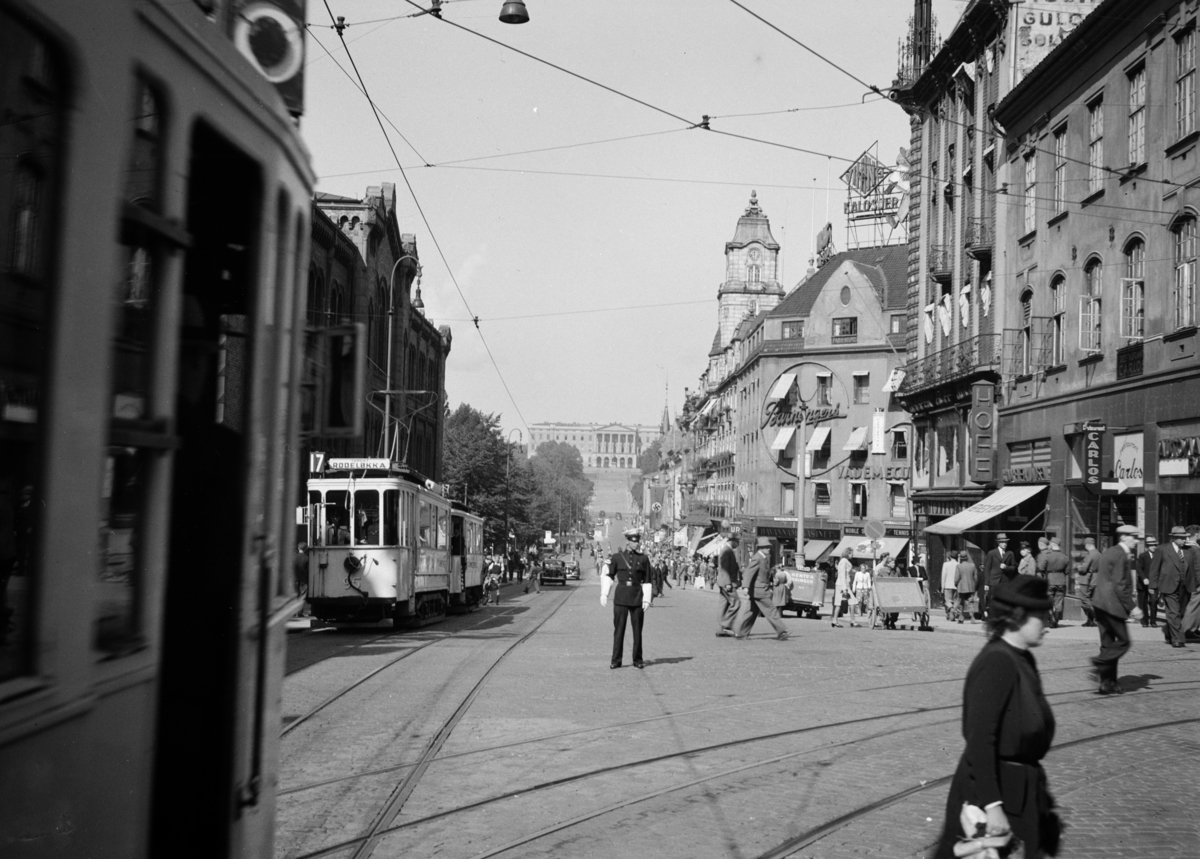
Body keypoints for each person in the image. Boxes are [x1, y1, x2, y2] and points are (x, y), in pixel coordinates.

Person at [932, 575, 1060, 859]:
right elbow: (980, 739)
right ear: (1018, 617)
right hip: (994, 794)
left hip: (1019, 790)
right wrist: (992, 805)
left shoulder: (1022, 657)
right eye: (1041, 616)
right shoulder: (997, 661)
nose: (1048, 624)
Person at [1089, 525, 1143, 693]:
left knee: (1108, 645)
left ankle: (1107, 683)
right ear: (1123, 537)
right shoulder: (1120, 554)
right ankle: (1099, 663)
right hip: (1113, 605)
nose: (1136, 541)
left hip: (1100, 604)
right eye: (1133, 537)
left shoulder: (1110, 551)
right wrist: (1133, 607)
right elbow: (1119, 585)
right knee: (1123, 642)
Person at [600, 528, 652, 669]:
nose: (636, 544)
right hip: (621, 597)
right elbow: (609, 576)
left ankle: (638, 659)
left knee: (637, 631)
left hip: (637, 597)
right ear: (627, 541)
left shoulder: (643, 559)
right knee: (619, 630)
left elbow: (647, 580)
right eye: (633, 541)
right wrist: (604, 593)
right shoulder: (617, 558)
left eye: (637, 541)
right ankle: (616, 660)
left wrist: (646, 599)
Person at [735, 536, 789, 640]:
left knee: (750, 613)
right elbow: (749, 572)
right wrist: (745, 587)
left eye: (769, 547)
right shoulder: (757, 558)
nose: (769, 548)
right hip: (760, 591)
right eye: (766, 547)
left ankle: (741, 633)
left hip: (757, 590)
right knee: (771, 610)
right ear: (761, 548)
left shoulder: (763, 558)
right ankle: (782, 631)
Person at [1149, 525, 1191, 648]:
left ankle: (1169, 634)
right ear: (1174, 538)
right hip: (1168, 585)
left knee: (1181, 613)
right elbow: (1154, 568)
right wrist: (1153, 586)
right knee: (1173, 612)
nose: (1184, 540)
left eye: (1185, 538)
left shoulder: (1188, 550)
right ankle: (1178, 639)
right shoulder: (1162, 549)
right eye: (1182, 538)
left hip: (1185, 587)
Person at [1036, 538, 1070, 628]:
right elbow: (1067, 571)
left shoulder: (1047, 556)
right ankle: (1056, 619)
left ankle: (1052, 618)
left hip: (1050, 580)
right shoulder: (1065, 557)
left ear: (1052, 544)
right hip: (1061, 581)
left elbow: (1041, 568)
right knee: (1059, 601)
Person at [981, 534, 1015, 618]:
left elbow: (1013, 567)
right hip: (993, 581)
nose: (1005, 544)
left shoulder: (1010, 553)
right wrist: (986, 583)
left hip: (1005, 581)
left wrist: (1006, 567)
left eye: (1006, 542)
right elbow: (987, 569)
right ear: (998, 543)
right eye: (1002, 542)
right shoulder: (992, 553)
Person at [714, 535, 742, 637]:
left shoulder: (727, 550)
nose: (738, 544)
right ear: (732, 541)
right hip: (727, 583)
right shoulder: (726, 551)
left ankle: (720, 629)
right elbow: (724, 568)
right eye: (737, 541)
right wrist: (728, 583)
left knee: (723, 606)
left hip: (723, 583)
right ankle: (727, 625)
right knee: (736, 603)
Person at [1135, 536, 1158, 628]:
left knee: (1153, 602)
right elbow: (1139, 568)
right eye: (1151, 545)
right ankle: (1144, 621)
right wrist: (1144, 578)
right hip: (1143, 584)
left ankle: (1153, 621)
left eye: (1155, 545)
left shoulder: (1158, 556)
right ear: (1148, 547)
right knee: (1143, 603)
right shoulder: (1143, 555)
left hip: (1154, 583)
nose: (1154, 547)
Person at [1077, 538, 1101, 627]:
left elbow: (1084, 569)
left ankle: (1097, 618)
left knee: (1084, 598)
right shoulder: (1099, 554)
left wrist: (1079, 568)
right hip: (1096, 579)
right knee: (1091, 599)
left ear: (1087, 545)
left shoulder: (1090, 555)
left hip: (1087, 579)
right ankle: (1090, 620)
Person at [955, 551, 978, 624]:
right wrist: (974, 586)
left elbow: (957, 578)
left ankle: (961, 617)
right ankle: (972, 616)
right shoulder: (973, 565)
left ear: (961, 558)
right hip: (970, 587)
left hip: (961, 587)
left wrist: (955, 584)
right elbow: (975, 577)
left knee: (960, 602)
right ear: (967, 558)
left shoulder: (959, 566)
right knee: (970, 602)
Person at [833, 547, 854, 628]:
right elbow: (842, 574)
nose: (853, 555)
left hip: (843, 584)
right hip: (842, 585)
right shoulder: (843, 561)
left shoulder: (844, 561)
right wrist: (844, 588)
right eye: (851, 553)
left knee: (840, 603)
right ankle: (852, 621)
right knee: (850, 601)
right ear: (848, 553)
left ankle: (835, 621)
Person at [850, 563, 872, 627]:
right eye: (862, 568)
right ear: (860, 568)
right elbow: (855, 581)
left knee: (865, 601)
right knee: (859, 600)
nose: (863, 569)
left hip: (865, 588)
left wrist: (869, 587)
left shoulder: (867, 574)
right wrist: (853, 588)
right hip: (859, 588)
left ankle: (864, 610)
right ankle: (859, 611)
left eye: (864, 568)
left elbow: (869, 581)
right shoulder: (857, 573)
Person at [940, 551, 959, 622]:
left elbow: (943, 577)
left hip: (947, 585)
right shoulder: (958, 564)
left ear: (950, 557)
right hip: (956, 586)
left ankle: (951, 609)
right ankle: (952, 612)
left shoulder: (945, 564)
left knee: (947, 600)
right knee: (955, 600)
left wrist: (942, 587)